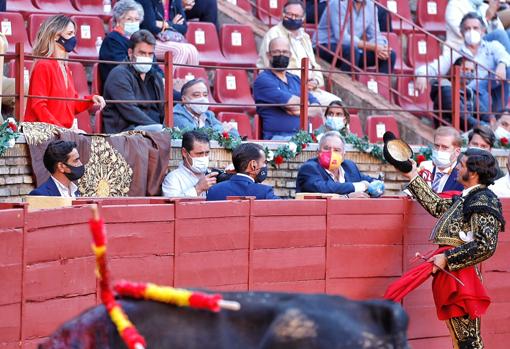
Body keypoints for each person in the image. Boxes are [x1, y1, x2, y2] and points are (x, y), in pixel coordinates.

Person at [399, 148, 505, 349]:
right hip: (455, 274)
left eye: (461, 164)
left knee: (468, 341)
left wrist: (448, 257)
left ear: (473, 173)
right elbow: (437, 205)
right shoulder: (468, 197)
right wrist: (412, 174)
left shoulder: (483, 200)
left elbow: (486, 245)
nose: (457, 167)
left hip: (463, 277)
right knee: (460, 339)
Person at [416, 12, 510, 121]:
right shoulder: (456, 53)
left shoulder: (493, 46)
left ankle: (496, 118)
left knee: (506, 70)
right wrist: (422, 74)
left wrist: (502, 64)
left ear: (483, 30)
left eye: (475, 28)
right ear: (461, 32)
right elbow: (436, 66)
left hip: (496, 94)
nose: (471, 32)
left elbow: (504, 56)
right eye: (467, 29)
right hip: (473, 100)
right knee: (480, 91)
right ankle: (487, 121)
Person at [24, 15, 106, 130]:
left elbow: (72, 105)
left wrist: (91, 99)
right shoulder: (44, 65)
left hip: (59, 132)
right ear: (55, 36)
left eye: (73, 34)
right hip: (42, 132)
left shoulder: (65, 67)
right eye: (69, 34)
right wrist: (60, 130)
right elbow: (38, 106)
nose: (73, 38)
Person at [257, 0, 340, 107]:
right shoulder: (273, 34)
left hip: (309, 89)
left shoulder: (305, 37)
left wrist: (315, 81)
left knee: (337, 104)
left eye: (297, 16)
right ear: (283, 14)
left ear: (303, 18)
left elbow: (315, 66)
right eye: (289, 15)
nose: (293, 18)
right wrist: (300, 84)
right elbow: (270, 66)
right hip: (285, 88)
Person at [253, 37, 321, 140]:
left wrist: (298, 109)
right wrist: (305, 104)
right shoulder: (263, 80)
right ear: (268, 55)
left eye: (285, 52)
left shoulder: (295, 79)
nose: (281, 55)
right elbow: (292, 105)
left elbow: (317, 109)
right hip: (278, 138)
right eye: (276, 52)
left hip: (303, 137)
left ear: (290, 55)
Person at [102, 30, 165, 133]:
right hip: (126, 131)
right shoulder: (119, 74)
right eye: (142, 53)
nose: (146, 57)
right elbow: (131, 111)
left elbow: (162, 110)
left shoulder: (155, 77)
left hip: (154, 130)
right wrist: (161, 129)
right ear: (130, 53)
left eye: (150, 54)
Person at [316, 0, 396, 74]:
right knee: (352, 52)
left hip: (351, 49)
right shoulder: (338, 3)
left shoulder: (371, 6)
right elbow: (342, 38)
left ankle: (382, 88)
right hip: (325, 46)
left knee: (390, 55)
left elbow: (375, 35)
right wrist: (374, 47)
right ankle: (348, 86)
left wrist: (381, 48)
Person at [296, 131, 380, 196]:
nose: (331, 153)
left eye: (336, 150)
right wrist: (359, 186)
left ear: (343, 155)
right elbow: (324, 188)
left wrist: (377, 185)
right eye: (326, 148)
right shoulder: (309, 168)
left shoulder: (349, 167)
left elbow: (369, 180)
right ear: (318, 152)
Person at [206, 143, 280, 201]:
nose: (265, 166)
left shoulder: (214, 190)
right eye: (264, 162)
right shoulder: (264, 192)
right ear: (253, 165)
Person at [137, 0, 199, 64]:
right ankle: (170, 74)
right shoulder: (146, 1)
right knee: (181, 50)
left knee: (192, 50)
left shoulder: (176, 1)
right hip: (150, 40)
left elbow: (183, 28)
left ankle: (189, 74)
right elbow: (150, 27)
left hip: (170, 39)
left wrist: (166, 24)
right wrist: (173, 25)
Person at [173, 79, 239, 137]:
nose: (202, 99)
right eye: (196, 95)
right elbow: (196, 137)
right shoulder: (175, 116)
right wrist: (222, 130)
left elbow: (234, 133)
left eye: (205, 95)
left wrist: (218, 131)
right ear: (184, 99)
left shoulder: (208, 115)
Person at [162, 131, 217, 197]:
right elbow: (172, 205)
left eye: (207, 153)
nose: (204, 157)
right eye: (199, 153)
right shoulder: (173, 179)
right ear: (184, 152)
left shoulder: (211, 175)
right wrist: (198, 189)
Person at [429, 57, 477, 131]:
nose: (469, 73)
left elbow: (483, 111)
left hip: (464, 132)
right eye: (465, 69)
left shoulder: (469, 92)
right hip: (448, 133)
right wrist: (482, 126)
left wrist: (491, 119)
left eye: (472, 71)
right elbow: (462, 117)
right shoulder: (446, 89)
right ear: (455, 70)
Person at [445, 0, 510, 52]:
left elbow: (501, 31)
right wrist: (487, 18)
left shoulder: (484, 6)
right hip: (463, 48)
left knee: (508, 33)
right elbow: (467, 35)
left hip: (486, 46)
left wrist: (493, 19)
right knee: (499, 34)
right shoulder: (454, 5)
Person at [418, 126, 464, 195]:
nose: (439, 150)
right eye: (436, 146)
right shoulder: (424, 169)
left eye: (444, 147)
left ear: (457, 151)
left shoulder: (463, 175)